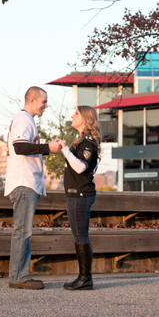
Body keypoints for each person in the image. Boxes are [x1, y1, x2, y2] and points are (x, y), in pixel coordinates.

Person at [5, 86, 62, 289]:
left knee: (23, 231)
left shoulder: (25, 120)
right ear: (31, 100)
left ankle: (21, 275)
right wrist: (48, 148)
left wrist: (47, 147)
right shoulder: (24, 120)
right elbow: (19, 147)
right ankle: (19, 277)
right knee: (23, 231)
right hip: (23, 182)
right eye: (43, 102)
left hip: (25, 183)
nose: (45, 106)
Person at [59, 105, 101, 291]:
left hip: (81, 195)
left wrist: (65, 149)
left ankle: (85, 278)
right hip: (78, 195)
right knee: (79, 236)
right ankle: (85, 278)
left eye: (76, 113)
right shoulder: (83, 141)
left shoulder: (87, 142)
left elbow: (80, 167)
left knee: (81, 236)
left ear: (85, 118)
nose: (72, 116)